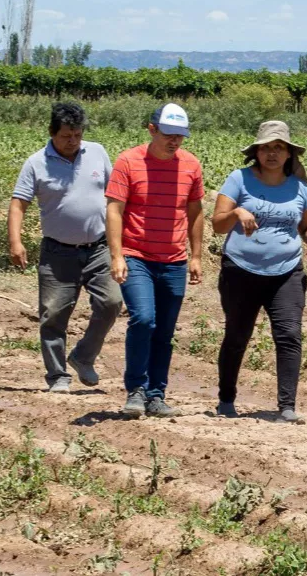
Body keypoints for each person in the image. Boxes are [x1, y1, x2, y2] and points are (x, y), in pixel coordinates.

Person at [211, 121, 307, 423]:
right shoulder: (240, 179)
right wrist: (236, 212)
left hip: (286, 272)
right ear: (256, 152)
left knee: (288, 335)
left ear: (289, 154)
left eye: (279, 147)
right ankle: (226, 399)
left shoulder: (299, 187)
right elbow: (217, 223)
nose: (272, 153)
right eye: (266, 147)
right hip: (240, 271)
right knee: (237, 335)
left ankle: (286, 406)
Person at [8, 103, 123, 392]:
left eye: (77, 134)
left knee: (111, 303)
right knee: (54, 314)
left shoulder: (97, 152)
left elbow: (115, 198)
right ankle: (57, 376)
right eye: (66, 136)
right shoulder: (36, 163)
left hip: (98, 248)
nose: (72, 141)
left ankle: (83, 356)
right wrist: (15, 241)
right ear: (52, 133)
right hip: (58, 252)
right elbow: (18, 203)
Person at [105, 103, 204, 418]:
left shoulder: (191, 165)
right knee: (144, 319)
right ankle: (135, 389)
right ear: (152, 129)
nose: (174, 141)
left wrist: (197, 255)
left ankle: (156, 395)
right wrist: (117, 255)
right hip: (137, 257)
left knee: (164, 330)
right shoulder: (128, 161)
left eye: (180, 136)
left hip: (174, 260)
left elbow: (196, 211)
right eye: (168, 134)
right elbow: (114, 210)